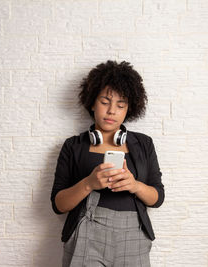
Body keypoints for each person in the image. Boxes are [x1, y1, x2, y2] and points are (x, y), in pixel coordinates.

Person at [50, 60, 165, 267]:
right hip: (86, 235)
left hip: (133, 240)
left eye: (121, 105)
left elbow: (157, 198)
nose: (112, 111)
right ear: (92, 102)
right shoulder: (73, 146)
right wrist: (89, 184)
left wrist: (135, 185)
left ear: (129, 109)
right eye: (105, 102)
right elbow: (59, 205)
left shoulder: (144, 144)